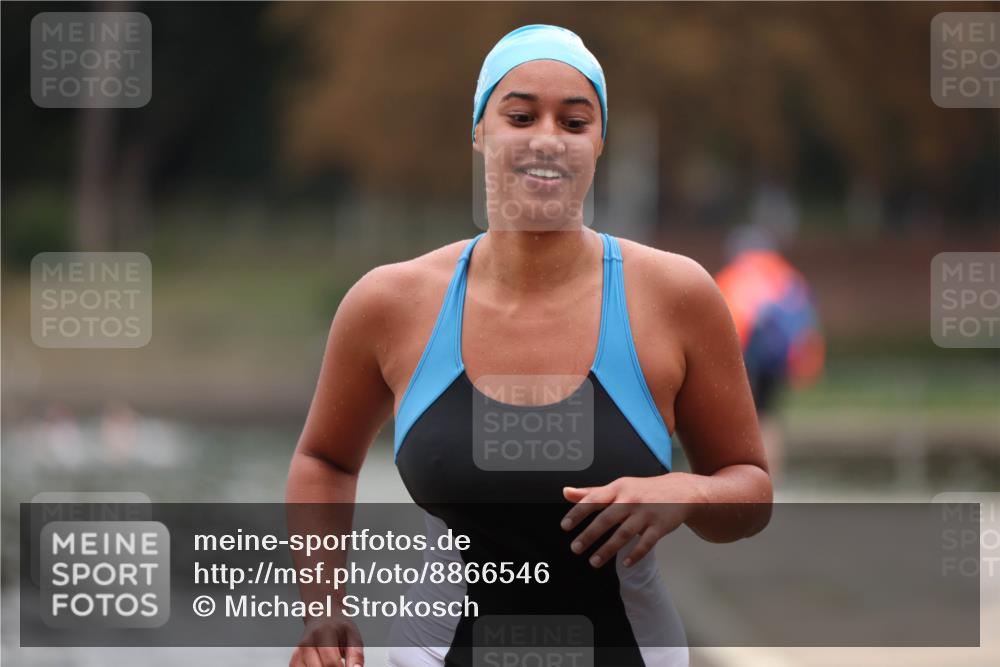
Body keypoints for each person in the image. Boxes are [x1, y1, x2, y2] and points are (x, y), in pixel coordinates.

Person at [287, 24, 772, 667]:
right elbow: (325, 458)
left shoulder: (675, 296)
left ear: (599, 144)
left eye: (575, 123)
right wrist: (323, 609)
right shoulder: (391, 303)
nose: (547, 138)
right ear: (480, 131)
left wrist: (686, 493)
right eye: (520, 115)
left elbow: (750, 490)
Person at [715, 224, 826, 484]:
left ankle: (739, 475)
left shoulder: (734, 277)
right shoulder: (788, 277)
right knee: (769, 416)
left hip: (744, 359)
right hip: (778, 362)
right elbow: (807, 325)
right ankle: (771, 476)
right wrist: (807, 366)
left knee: (739, 417)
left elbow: (725, 322)